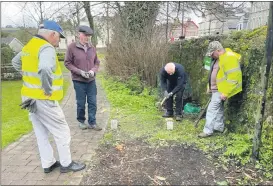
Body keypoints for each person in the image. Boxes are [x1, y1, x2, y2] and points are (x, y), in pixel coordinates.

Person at [12, 20, 86, 173]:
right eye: (59, 37)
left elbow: (15, 62)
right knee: (62, 131)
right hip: (43, 99)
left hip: (28, 97)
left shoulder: (29, 46)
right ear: (52, 34)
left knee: (41, 133)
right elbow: (45, 68)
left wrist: (28, 78)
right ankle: (66, 164)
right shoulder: (46, 48)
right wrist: (46, 88)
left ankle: (48, 164)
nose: (59, 40)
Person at [198, 41, 242, 138]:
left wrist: (226, 92)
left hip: (222, 89)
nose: (211, 56)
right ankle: (218, 127)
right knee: (219, 109)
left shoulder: (229, 58)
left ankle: (207, 131)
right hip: (216, 89)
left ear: (218, 51)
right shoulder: (217, 59)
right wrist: (209, 87)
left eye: (212, 53)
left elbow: (233, 78)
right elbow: (212, 74)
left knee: (211, 109)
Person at [65, 25, 102, 130]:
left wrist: (92, 71)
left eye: (89, 35)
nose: (87, 37)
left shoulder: (92, 47)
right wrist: (80, 72)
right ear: (79, 34)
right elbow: (67, 63)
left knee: (93, 102)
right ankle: (81, 121)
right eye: (85, 35)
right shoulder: (71, 47)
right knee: (81, 102)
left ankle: (92, 122)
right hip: (79, 80)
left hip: (91, 80)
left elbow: (97, 62)